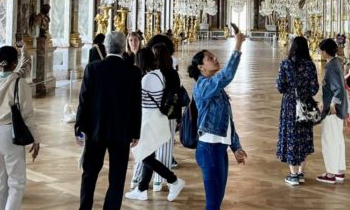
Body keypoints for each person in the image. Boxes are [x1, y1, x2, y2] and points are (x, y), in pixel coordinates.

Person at [76, 31, 142, 210]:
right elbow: (136, 105)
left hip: (95, 130)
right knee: (117, 178)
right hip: (122, 132)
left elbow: (84, 101)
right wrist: (136, 132)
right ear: (123, 48)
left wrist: (79, 128)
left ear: (105, 47)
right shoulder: (134, 72)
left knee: (89, 174)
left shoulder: (93, 68)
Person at [0, 46, 40, 210]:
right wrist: (36, 139)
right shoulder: (18, 83)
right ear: (15, 62)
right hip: (9, 133)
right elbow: (27, 114)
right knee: (16, 183)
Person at [189, 32, 248, 210]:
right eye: (209, 58)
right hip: (208, 150)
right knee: (213, 204)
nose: (215, 58)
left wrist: (236, 147)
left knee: (217, 200)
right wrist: (237, 46)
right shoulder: (202, 86)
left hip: (219, 149)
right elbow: (226, 76)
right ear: (201, 67)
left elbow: (227, 121)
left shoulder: (217, 88)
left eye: (213, 56)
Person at [125, 46, 185, 202]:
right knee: (148, 154)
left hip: (147, 120)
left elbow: (136, 101)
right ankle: (142, 189)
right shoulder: (158, 74)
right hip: (157, 119)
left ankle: (174, 180)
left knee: (144, 155)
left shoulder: (146, 79)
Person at [275, 36, 319, 186]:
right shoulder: (310, 65)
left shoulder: (286, 64)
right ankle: (300, 173)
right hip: (305, 103)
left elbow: (280, 87)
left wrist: (291, 90)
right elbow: (314, 89)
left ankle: (293, 175)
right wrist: (304, 91)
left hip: (289, 104)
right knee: (304, 136)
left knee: (291, 135)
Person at [316, 38, 348, 184]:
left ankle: (330, 174)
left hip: (332, 110)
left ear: (324, 51)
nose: (320, 53)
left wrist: (333, 104)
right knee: (338, 140)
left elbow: (338, 89)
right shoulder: (337, 63)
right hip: (338, 109)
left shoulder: (331, 67)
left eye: (321, 50)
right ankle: (339, 171)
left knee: (329, 141)